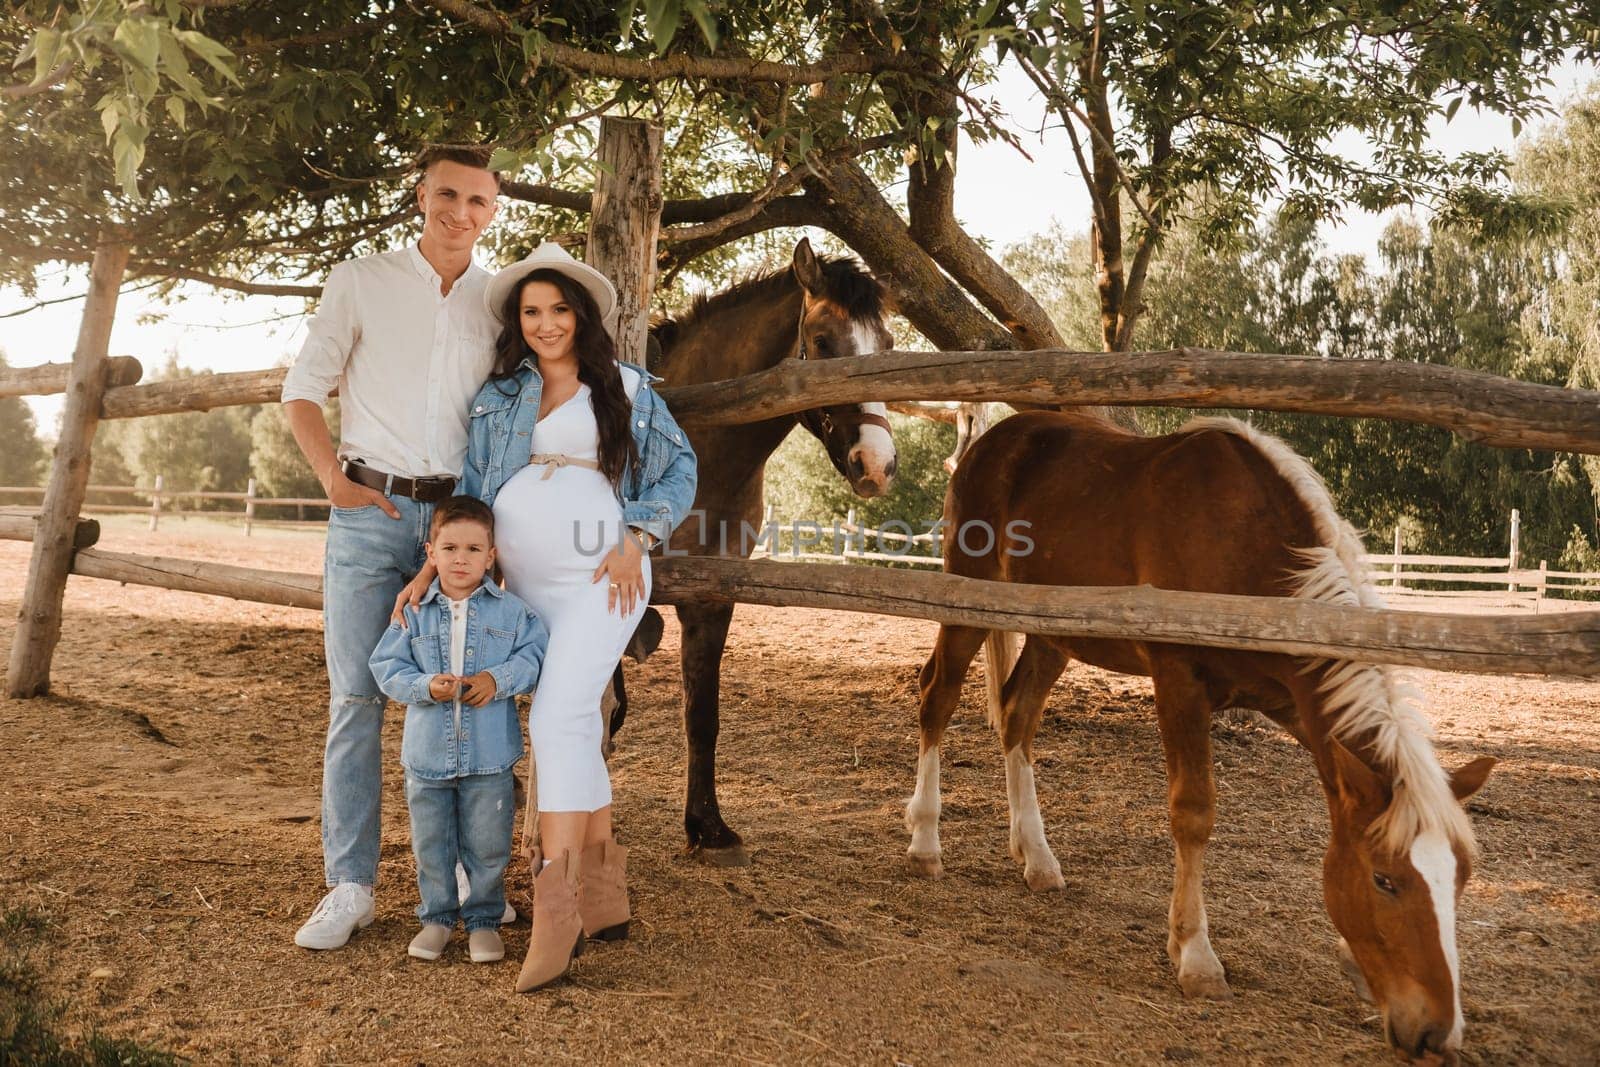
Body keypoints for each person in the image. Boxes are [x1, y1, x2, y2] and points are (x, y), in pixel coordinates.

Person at [396, 241, 697, 991]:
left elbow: (679, 467)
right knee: (567, 721)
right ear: (518, 321)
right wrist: (433, 565)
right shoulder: (498, 396)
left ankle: (555, 907)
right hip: (526, 582)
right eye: (532, 311)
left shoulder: (624, 386)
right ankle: (603, 894)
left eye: (559, 308)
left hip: (605, 573)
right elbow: (470, 488)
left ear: (582, 314)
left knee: (559, 716)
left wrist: (638, 537)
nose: (546, 322)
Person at [282, 145, 503, 950]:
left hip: (453, 527)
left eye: (478, 202)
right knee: (355, 697)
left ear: (493, 212)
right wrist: (333, 481)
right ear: (420, 196)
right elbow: (302, 389)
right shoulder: (361, 279)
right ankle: (350, 884)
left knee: (456, 695)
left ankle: (464, 882)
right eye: (447, 195)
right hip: (369, 511)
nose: (460, 213)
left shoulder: (498, 300)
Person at [370, 497, 547, 964]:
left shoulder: (512, 613)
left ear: (491, 556)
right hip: (427, 756)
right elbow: (386, 666)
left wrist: (497, 680)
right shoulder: (414, 612)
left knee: (488, 843)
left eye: (473, 549)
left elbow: (534, 656)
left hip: (490, 755)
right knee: (431, 843)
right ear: (431, 553)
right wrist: (426, 685)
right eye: (449, 548)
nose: (461, 558)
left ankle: (485, 920)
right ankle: (437, 918)